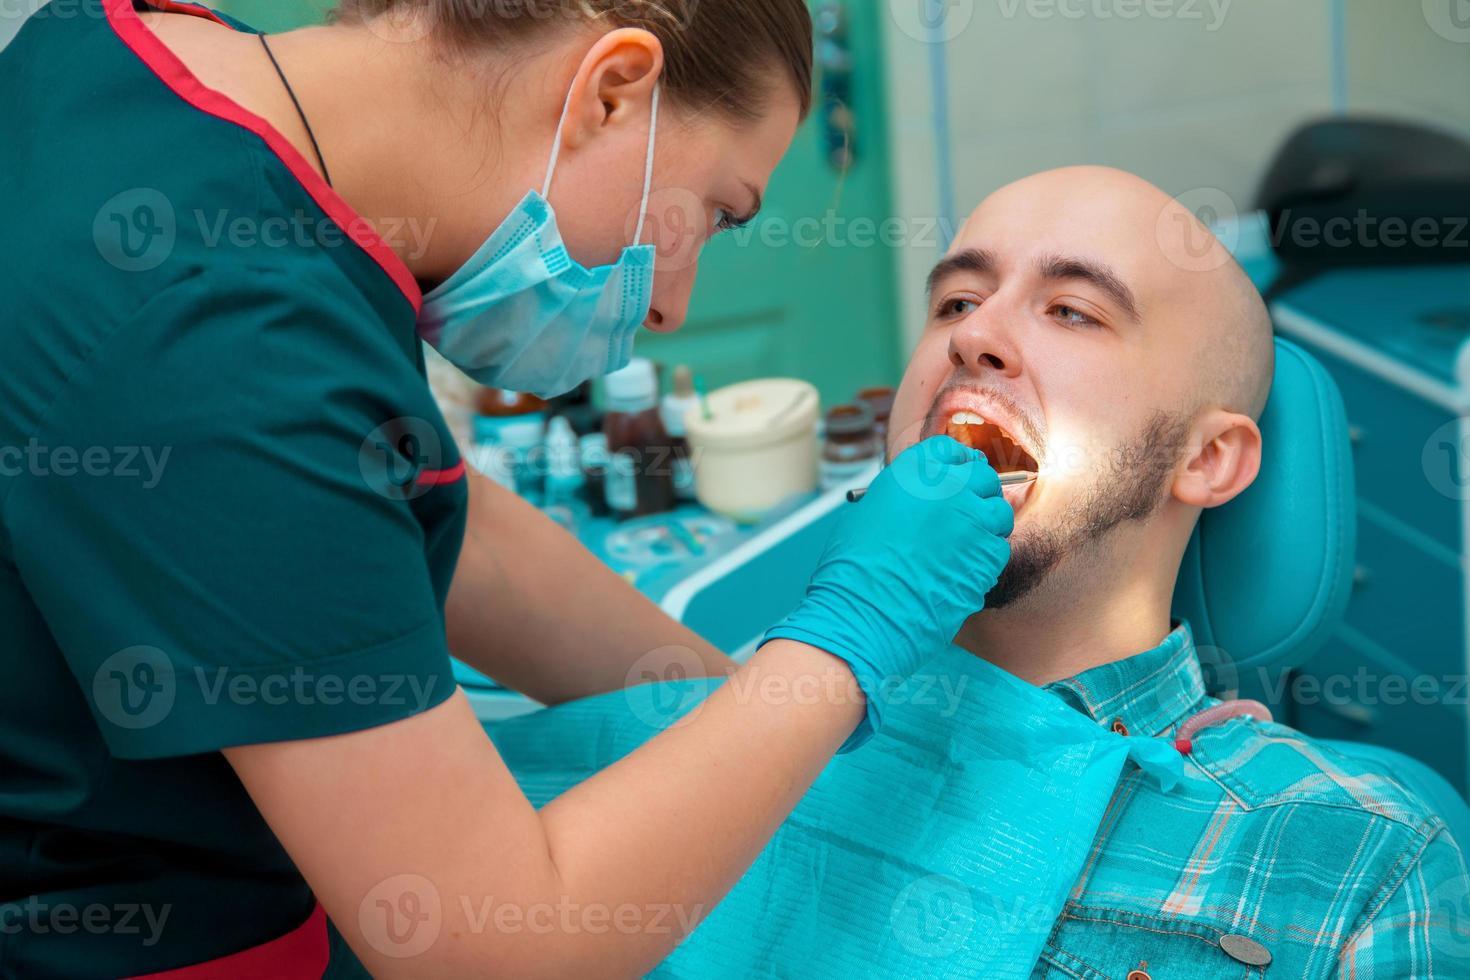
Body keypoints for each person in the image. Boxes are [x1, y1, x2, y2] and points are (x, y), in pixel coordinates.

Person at [0, 1, 1017, 976]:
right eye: (714, 212)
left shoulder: (124, 56)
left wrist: (735, 714)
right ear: (610, 91)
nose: (673, 304)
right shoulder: (222, 343)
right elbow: (491, 941)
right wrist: (844, 644)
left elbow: (434, 521)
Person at [492, 166, 1470, 976]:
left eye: (1074, 311)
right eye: (958, 299)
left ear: (1208, 459)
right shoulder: (740, 732)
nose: (972, 334)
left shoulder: (1357, 854)